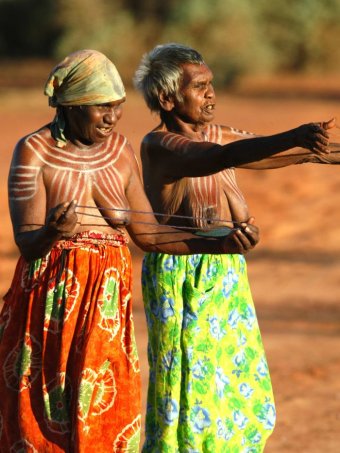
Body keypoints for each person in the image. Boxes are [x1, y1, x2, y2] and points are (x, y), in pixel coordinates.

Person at [0, 49, 267, 453]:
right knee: (44, 412)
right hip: (50, 301)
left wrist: (220, 243)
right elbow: (28, 241)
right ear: (71, 107)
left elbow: (149, 235)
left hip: (107, 304)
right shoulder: (34, 151)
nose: (111, 118)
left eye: (117, 108)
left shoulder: (120, 151)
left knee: (109, 408)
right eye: (100, 108)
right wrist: (54, 232)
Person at [133, 43, 340, 452]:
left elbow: (288, 153)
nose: (211, 94)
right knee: (189, 383)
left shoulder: (215, 133)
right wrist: (293, 133)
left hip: (224, 271)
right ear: (166, 98)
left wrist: (313, 148)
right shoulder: (160, 145)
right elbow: (221, 157)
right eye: (200, 86)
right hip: (182, 270)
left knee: (231, 379)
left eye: (212, 84)